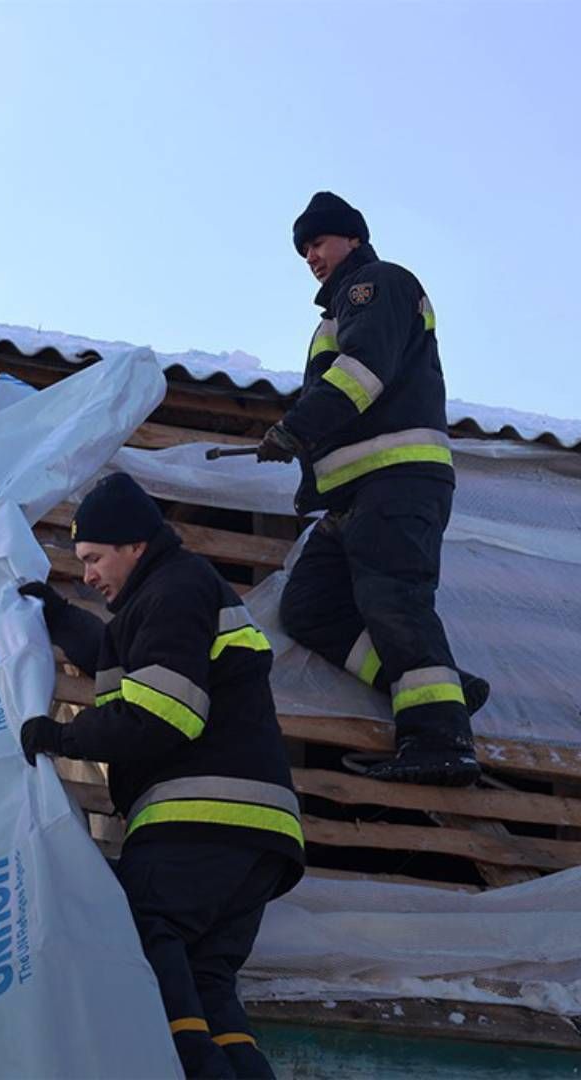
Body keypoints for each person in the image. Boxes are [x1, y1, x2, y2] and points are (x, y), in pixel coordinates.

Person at [17, 474, 304, 1079]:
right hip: (258, 832)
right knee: (208, 978)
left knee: (149, 935)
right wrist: (59, 617)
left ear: (135, 546)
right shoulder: (175, 592)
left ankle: (194, 1069)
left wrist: (63, 736)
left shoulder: (174, 590)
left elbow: (162, 710)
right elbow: (126, 657)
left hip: (199, 818)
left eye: (94, 558)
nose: (88, 574)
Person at [257, 192, 484, 787]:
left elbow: (362, 373)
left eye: (319, 241)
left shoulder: (375, 285)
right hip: (356, 497)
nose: (311, 255)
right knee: (309, 607)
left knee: (395, 601)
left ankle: (441, 738)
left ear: (352, 239)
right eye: (304, 247)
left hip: (396, 483)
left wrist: (294, 429)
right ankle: (443, 691)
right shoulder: (338, 310)